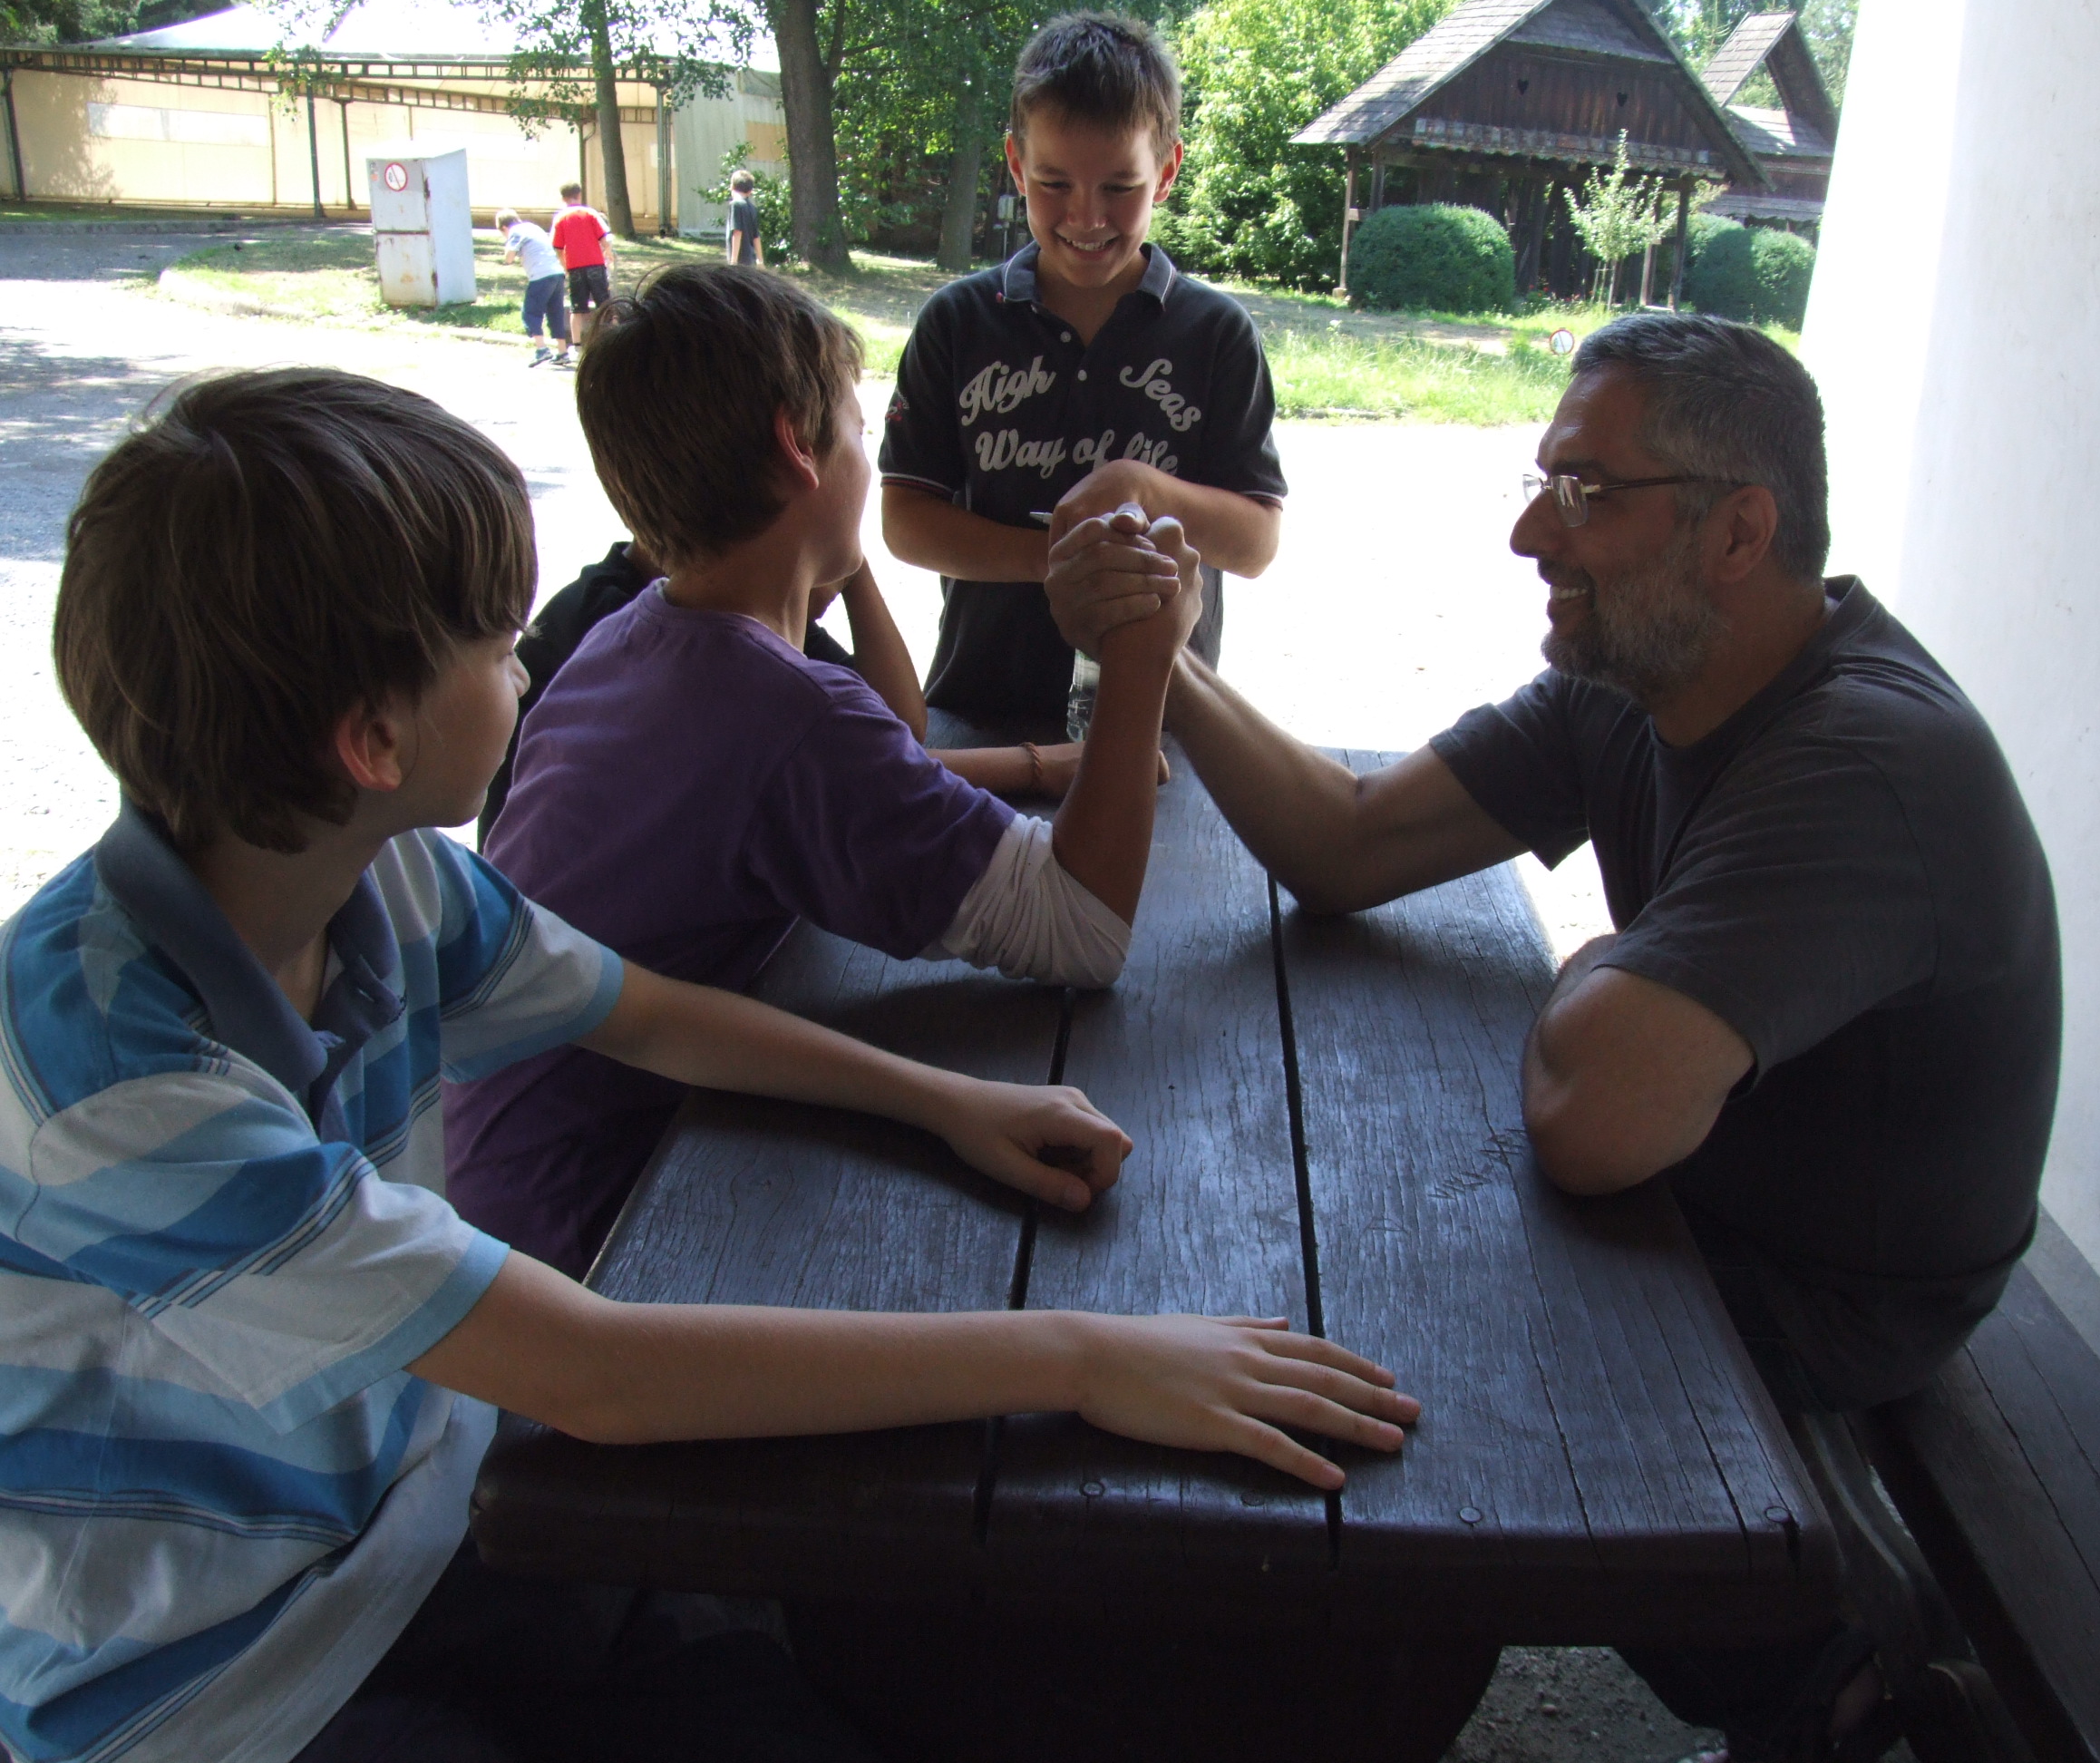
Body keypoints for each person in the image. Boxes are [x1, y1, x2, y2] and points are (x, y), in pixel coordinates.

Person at [0, 365, 1417, 1763]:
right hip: (223, 1685)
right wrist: (1086, 1356)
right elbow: (596, 1374)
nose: (527, 665)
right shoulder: (112, 1082)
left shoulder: (380, 879)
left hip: (428, 1520)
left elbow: (647, 1013)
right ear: (373, 740)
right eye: (497, 645)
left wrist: (946, 1101)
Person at [1045, 311, 2062, 1761]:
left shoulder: (1865, 761)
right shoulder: (1640, 679)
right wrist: (1168, 658)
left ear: (1740, 530)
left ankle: (1822, 1677)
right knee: (1344, 1245)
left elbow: (1594, 1124)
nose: (1533, 532)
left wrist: (1601, 980)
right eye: (1542, 481)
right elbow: (1348, 844)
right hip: (1704, 1186)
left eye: (1586, 492)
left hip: (1830, 1290)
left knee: (1414, 1351)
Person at [445, 261, 1192, 1280]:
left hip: (496, 1191)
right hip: (600, 1236)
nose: (868, 455)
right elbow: (1084, 929)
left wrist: (1025, 766)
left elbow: (844, 771)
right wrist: (1143, 654)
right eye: (856, 425)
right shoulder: (781, 713)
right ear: (799, 447)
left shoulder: (627, 640)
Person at [878, 10, 1286, 723]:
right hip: (982, 707)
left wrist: (1142, 487)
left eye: (1119, 187)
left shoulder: (1218, 334)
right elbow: (905, 522)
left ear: (1166, 172)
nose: (1087, 216)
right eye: (1054, 183)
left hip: (1161, 721)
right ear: (1016, 164)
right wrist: (1063, 562)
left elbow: (1255, 543)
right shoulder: (957, 322)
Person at [475, 543, 1094, 844]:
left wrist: (850, 565)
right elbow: (856, 766)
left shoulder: (729, 595)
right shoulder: (638, 623)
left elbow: (896, 726)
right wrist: (1032, 766)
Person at [498, 206, 573, 367]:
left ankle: (541, 349)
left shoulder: (515, 232)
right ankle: (562, 352)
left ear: (504, 227)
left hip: (541, 275)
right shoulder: (533, 227)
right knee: (555, 312)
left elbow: (508, 258)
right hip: (557, 273)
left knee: (530, 312)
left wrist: (508, 250)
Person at [551, 181, 615, 345]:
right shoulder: (590, 213)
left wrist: (565, 266)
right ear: (579, 195)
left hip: (574, 267)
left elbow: (558, 248)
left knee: (577, 308)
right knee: (605, 303)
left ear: (563, 198)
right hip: (595, 264)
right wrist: (608, 253)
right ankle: (613, 336)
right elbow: (604, 238)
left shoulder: (560, 218)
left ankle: (576, 344)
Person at [725, 167, 763, 267]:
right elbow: (756, 236)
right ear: (750, 191)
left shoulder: (736, 205)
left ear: (732, 187)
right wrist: (760, 260)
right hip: (749, 260)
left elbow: (737, 232)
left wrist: (733, 262)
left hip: (740, 261)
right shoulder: (752, 208)